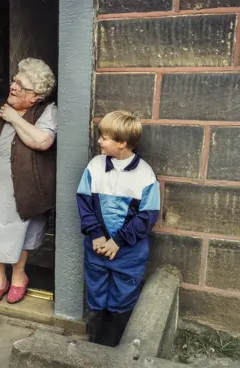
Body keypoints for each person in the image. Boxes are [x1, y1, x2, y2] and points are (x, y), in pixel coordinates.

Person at [76, 110, 160, 347]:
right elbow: (84, 203)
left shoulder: (145, 175)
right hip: (97, 248)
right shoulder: (94, 166)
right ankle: (95, 343)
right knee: (95, 293)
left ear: (122, 143)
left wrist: (118, 241)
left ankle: (115, 345)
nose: (99, 141)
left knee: (123, 296)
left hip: (129, 254)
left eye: (105, 137)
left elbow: (147, 216)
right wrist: (96, 234)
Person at [0, 58, 57, 305]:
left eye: (20, 85)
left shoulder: (46, 111)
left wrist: (15, 117)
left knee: (24, 235)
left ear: (35, 96)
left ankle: (18, 277)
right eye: (14, 80)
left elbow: (42, 141)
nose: (13, 86)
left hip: (28, 189)